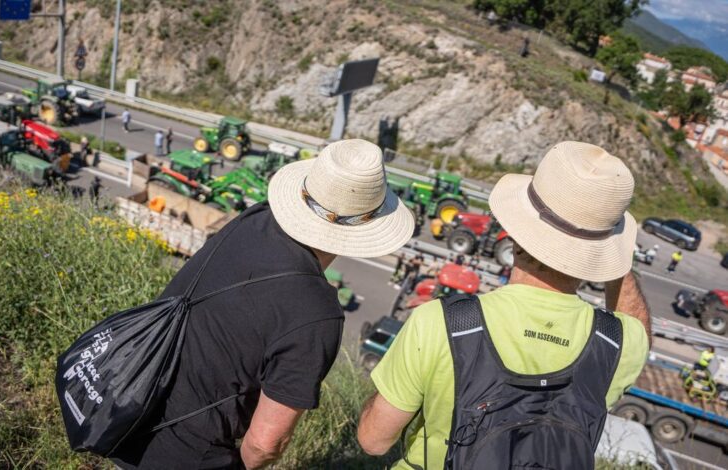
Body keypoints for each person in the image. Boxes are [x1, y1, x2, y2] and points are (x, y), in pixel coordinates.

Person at [110, 139, 414, 470]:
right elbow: (265, 442)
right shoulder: (317, 315)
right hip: (185, 456)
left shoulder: (254, 218)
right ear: (368, 224)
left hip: (128, 409)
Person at [358, 141, 651, 469]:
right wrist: (612, 258)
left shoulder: (441, 322)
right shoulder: (619, 344)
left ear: (513, 230)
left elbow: (373, 440)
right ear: (604, 253)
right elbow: (635, 324)